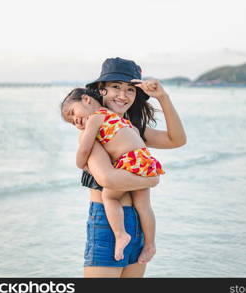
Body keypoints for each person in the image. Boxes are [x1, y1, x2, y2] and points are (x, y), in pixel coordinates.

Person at [62, 57, 186, 277]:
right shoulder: (94, 133)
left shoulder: (131, 128)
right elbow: (108, 180)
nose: (123, 95)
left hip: (136, 223)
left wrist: (163, 98)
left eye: (130, 89)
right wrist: (151, 180)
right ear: (101, 91)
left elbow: (177, 140)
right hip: (109, 226)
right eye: (116, 87)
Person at [61, 84, 164, 263]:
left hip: (130, 162)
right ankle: (150, 245)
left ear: (86, 99)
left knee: (109, 197)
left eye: (72, 113)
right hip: (145, 161)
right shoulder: (118, 119)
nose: (75, 121)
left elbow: (85, 148)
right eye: (71, 122)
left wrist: (80, 164)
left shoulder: (95, 117)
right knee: (144, 206)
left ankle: (120, 234)